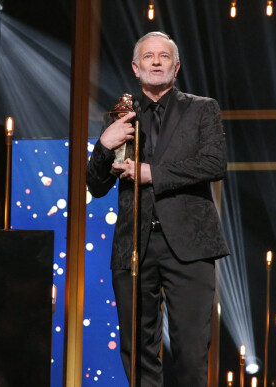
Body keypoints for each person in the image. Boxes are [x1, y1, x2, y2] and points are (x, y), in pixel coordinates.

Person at [86, 31, 230, 386]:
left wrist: (153, 174)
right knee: (137, 349)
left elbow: (214, 164)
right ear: (136, 68)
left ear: (176, 66)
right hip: (134, 244)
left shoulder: (202, 109)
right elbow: (96, 185)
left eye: (163, 56)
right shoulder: (120, 115)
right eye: (147, 57)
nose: (155, 62)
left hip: (190, 245)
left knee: (192, 349)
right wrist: (103, 145)